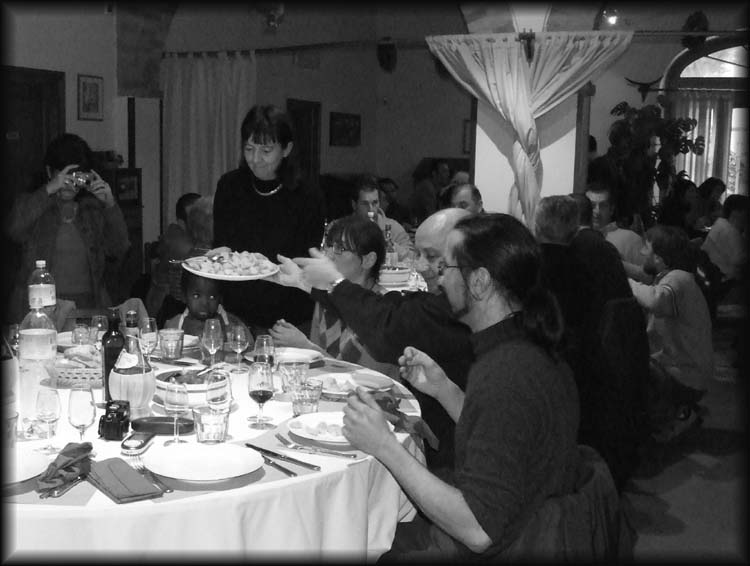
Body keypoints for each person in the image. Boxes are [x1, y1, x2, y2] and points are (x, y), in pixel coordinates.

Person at [342, 213, 581, 561]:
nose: (440, 280)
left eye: (447, 268)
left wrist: (385, 446)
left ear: (479, 282)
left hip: (499, 546)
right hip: (526, 518)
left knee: (356, 537)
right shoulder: (529, 344)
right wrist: (445, 390)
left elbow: (479, 530)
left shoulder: (506, 374)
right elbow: (507, 435)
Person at [274, 208, 475, 473]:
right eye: (417, 254)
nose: (420, 266)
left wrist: (334, 282)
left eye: (433, 256)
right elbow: (379, 311)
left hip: (462, 458)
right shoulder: (438, 304)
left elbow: (384, 325)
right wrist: (306, 282)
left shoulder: (453, 314)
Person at [537, 196, 647, 492]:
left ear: (537, 225)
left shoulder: (533, 269)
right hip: (588, 365)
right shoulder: (585, 265)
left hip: (551, 367)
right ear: (574, 227)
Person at [213, 104, 325, 336]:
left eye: (266, 150)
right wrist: (217, 257)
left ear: (286, 149)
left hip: (289, 320)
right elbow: (222, 245)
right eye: (249, 149)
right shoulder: (230, 187)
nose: (255, 159)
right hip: (236, 316)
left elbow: (305, 261)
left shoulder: (306, 195)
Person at [5, 133, 130, 324]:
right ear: (50, 172)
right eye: (64, 175)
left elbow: (119, 248)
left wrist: (110, 205)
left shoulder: (92, 209)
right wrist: (49, 189)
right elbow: (14, 228)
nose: (70, 183)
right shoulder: (35, 204)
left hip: (88, 308)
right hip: (40, 309)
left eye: (76, 176)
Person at [270, 216, 397, 378]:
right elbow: (317, 368)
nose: (329, 256)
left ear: (368, 260)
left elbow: (368, 378)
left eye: (340, 249)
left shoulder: (383, 310)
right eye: (329, 246)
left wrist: (304, 346)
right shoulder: (326, 298)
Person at [629, 225, 713, 442]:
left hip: (686, 375)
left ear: (659, 257)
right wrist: (615, 264)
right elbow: (643, 276)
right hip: (691, 371)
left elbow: (655, 300)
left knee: (631, 366)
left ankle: (679, 414)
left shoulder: (678, 279)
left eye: (646, 248)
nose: (641, 253)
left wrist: (626, 283)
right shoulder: (678, 277)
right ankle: (679, 410)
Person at [164, 269, 252, 363]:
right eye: (196, 296)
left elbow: (249, 354)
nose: (204, 303)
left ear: (220, 298)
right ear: (184, 296)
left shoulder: (233, 325)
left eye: (212, 297)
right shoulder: (173, 326)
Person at [145, 192, 201, 317]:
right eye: (194, 218)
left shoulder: (181, 235)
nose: (200, 222)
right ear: (181, 223)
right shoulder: (182, 245)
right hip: (166, 310)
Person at [350, 174, 412, 259]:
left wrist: (390, 245)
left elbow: (413, 259)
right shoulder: (339, 228)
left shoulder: (394, 228)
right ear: (354, 205)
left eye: (375, 203)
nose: (371, 209)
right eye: (365, 204)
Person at [701, 194, 748, 283]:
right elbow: (740, 260)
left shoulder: (721, 225)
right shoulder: (729, 230)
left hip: (713, 277)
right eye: (746, 211)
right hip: (723, 281)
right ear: (736, 212)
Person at [411, 159, 451, 226]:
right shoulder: (427, 188)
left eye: (448, 171)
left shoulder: (434, 188)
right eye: (444, 171)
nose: (448, 174)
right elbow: (431, 217)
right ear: (434, 173)